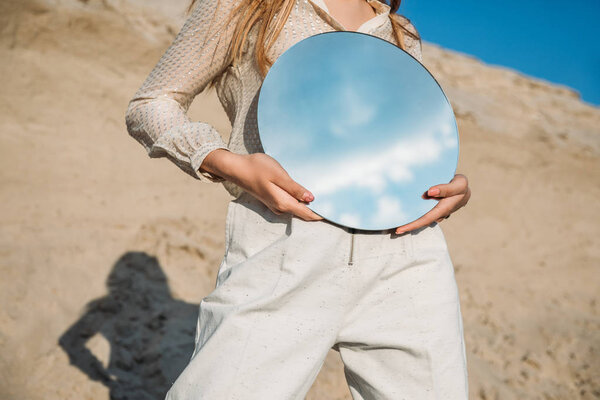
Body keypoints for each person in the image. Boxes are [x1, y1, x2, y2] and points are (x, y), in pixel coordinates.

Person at [124, 0, 472, 398]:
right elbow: (152, 104)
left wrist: (448, 184)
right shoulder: (245, 5)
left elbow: (401, 147)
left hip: (407, 258)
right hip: (285, 246)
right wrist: (229, 164)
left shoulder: (399, 33)